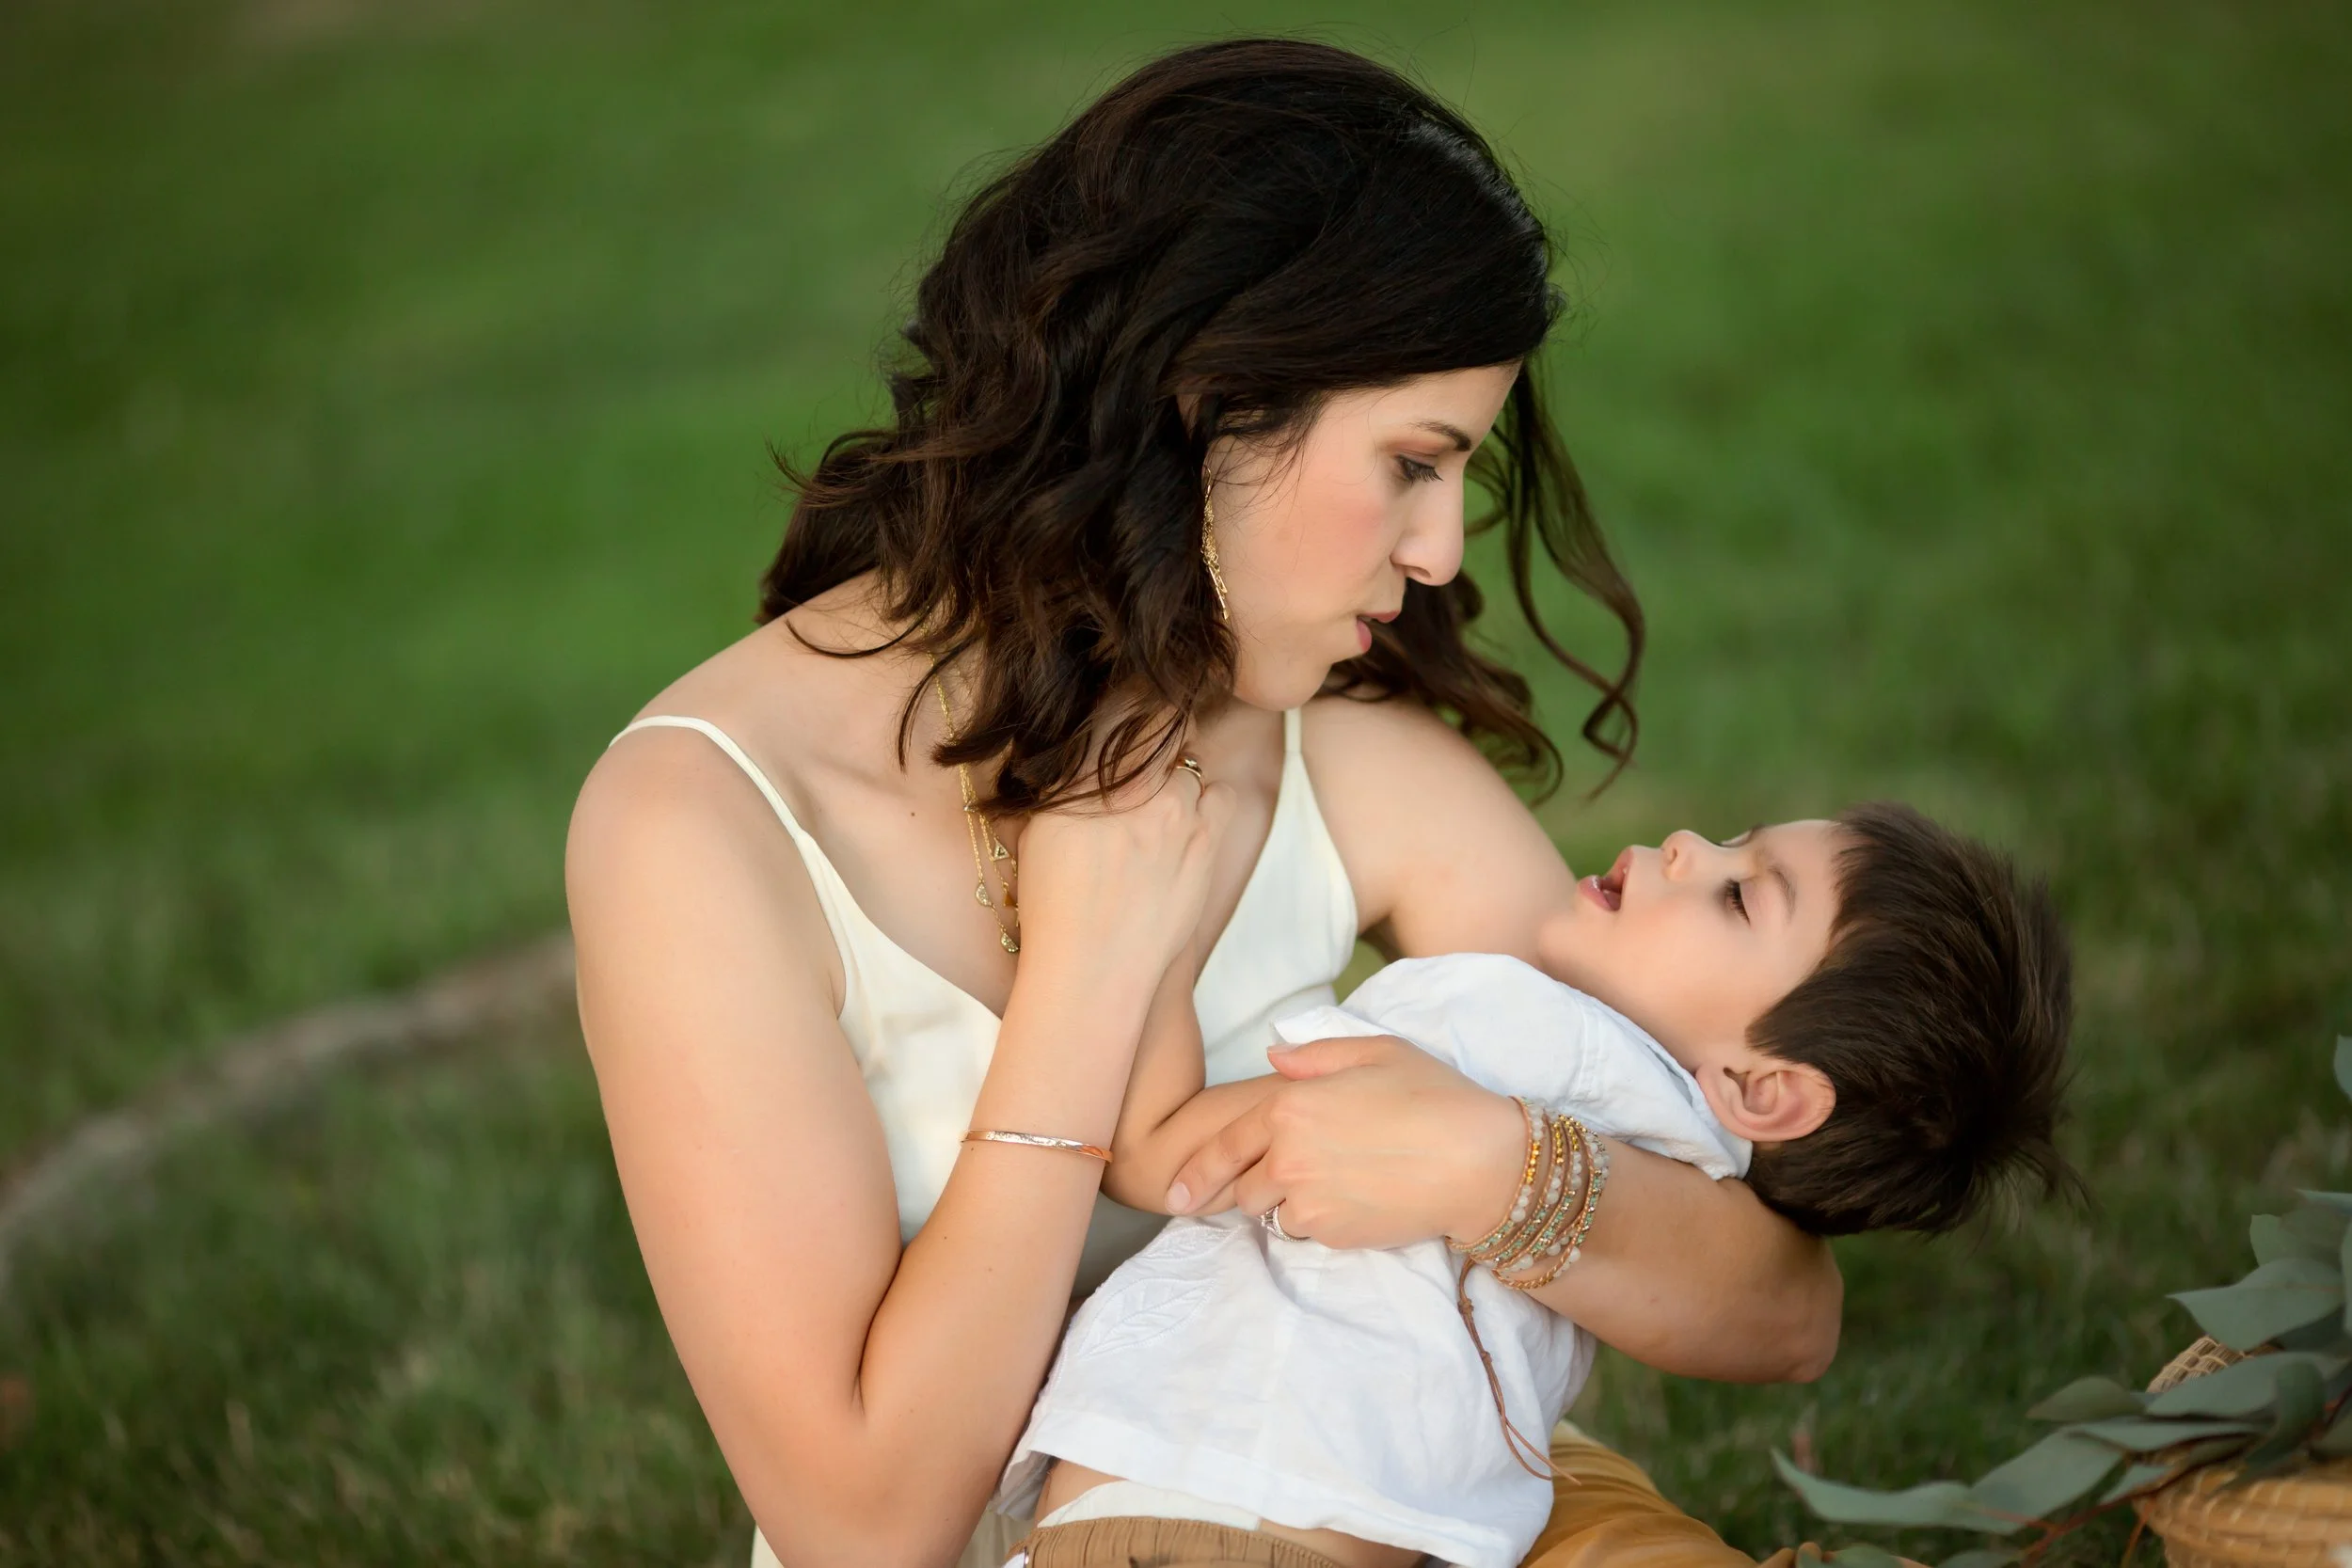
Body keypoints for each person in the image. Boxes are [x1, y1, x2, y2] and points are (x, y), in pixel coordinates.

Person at [564, 39, 1842, 1568]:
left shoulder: (1328, 750)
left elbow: (1780, 1306)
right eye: (1414, 463)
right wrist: (1092, 974)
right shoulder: (700, 828)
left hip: (1387, 1512)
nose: (1441, 551)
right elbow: (866, 1523)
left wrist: (1498, 1166)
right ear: (1207, 408)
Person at [1001, 805, 2076, 1568]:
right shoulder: (1681, 1177)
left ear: (1764, 1087)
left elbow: (1164, 1153)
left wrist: (1141, 927)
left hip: (1192, 1512)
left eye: (1741, 892)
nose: (1693, 844)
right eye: (1737, 836)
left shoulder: (1503, 1021)